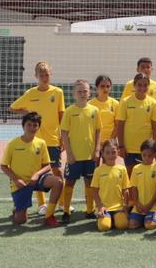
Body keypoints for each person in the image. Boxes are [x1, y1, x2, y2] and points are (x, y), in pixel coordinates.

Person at [9, 61, 65, 213]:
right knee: (38, 171)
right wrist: (29, 114)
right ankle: (42, 205)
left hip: (53, 139)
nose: (45, 78)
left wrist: (63, 137)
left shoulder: (57, 92)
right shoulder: (30, 93)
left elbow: (61, 115)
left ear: (50, 75)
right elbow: (12, 107)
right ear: (36, 76)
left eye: (47, 75)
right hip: (36, 142)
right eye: (41, 75)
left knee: (57, 171)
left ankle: (62, 203)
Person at [1, 111, 64, 227]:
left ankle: (49, 216)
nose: (32, 128)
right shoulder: (13, 144)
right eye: (29, 125)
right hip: (21, 183)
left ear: (38, 127)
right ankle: (17, 209)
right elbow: (3, 166)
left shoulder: (41, 143)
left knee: (58, 182)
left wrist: (36, 175)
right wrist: (16, 179)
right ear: (23, 126)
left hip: (37, 179)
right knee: (21, 221)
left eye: (35, 125)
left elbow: (47, 165)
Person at [59, 79, 101, 223]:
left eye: (85, 91)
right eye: (80, 91)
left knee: (89, 182)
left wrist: (97, 149)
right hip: (74, 157)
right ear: (74, 94)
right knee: (69, 182)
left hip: (89, 155)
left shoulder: (94, 110)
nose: (83, 94)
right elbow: (64, 132)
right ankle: (66, 211)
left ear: (89, 93)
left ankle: (90, 210)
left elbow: (98, 130)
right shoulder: (69, 111)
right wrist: (69, 153)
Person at [116, 73, 156, 175]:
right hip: (129, 148)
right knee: (130, 178)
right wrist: (121, 146)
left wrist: (155, 147)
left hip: (146, 149)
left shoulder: (153, 103)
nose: (142, 87)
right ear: (134, 86)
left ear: (148, 87)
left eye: (145, 85)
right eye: (139, 85)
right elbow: (120, 125)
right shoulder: (126, 102)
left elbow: (155, 127)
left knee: (145, 177)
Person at [91, 140, 130, 231]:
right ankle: (104, 217)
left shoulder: (122, 169)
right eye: (107, 153)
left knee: (122, 225)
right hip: (105, 207)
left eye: (113, 152)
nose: (110, 155)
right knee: (104, 227)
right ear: (102, 153)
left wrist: (125, 206)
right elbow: (95, 191)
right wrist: (100, 206)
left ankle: (114, 218)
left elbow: (126, 190)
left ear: (118, 152)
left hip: (118, 207)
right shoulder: (98, 170)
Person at [128, 139, 156, 230]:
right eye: (144, 155)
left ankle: (153, 216)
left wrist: (150, 204)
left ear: (155, 154)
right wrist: (137, 203)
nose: (146, 158)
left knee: (150, 226)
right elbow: (134, 188)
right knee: (132, 225)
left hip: (153, 206)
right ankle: (143, 218)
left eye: (150, 156)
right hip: (139, 206)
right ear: (141, 154)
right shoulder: (136, 168)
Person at [89, 75, 118, 156]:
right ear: (97, 87)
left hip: (109, 144)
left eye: (108, 86)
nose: (105, 89)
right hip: (94, 143)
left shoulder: (115, 104)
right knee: (94, 167)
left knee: (108, 166)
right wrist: (96, 141)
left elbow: (117, 125)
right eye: (102, 86)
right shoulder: (90, 104)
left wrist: (110, 140)